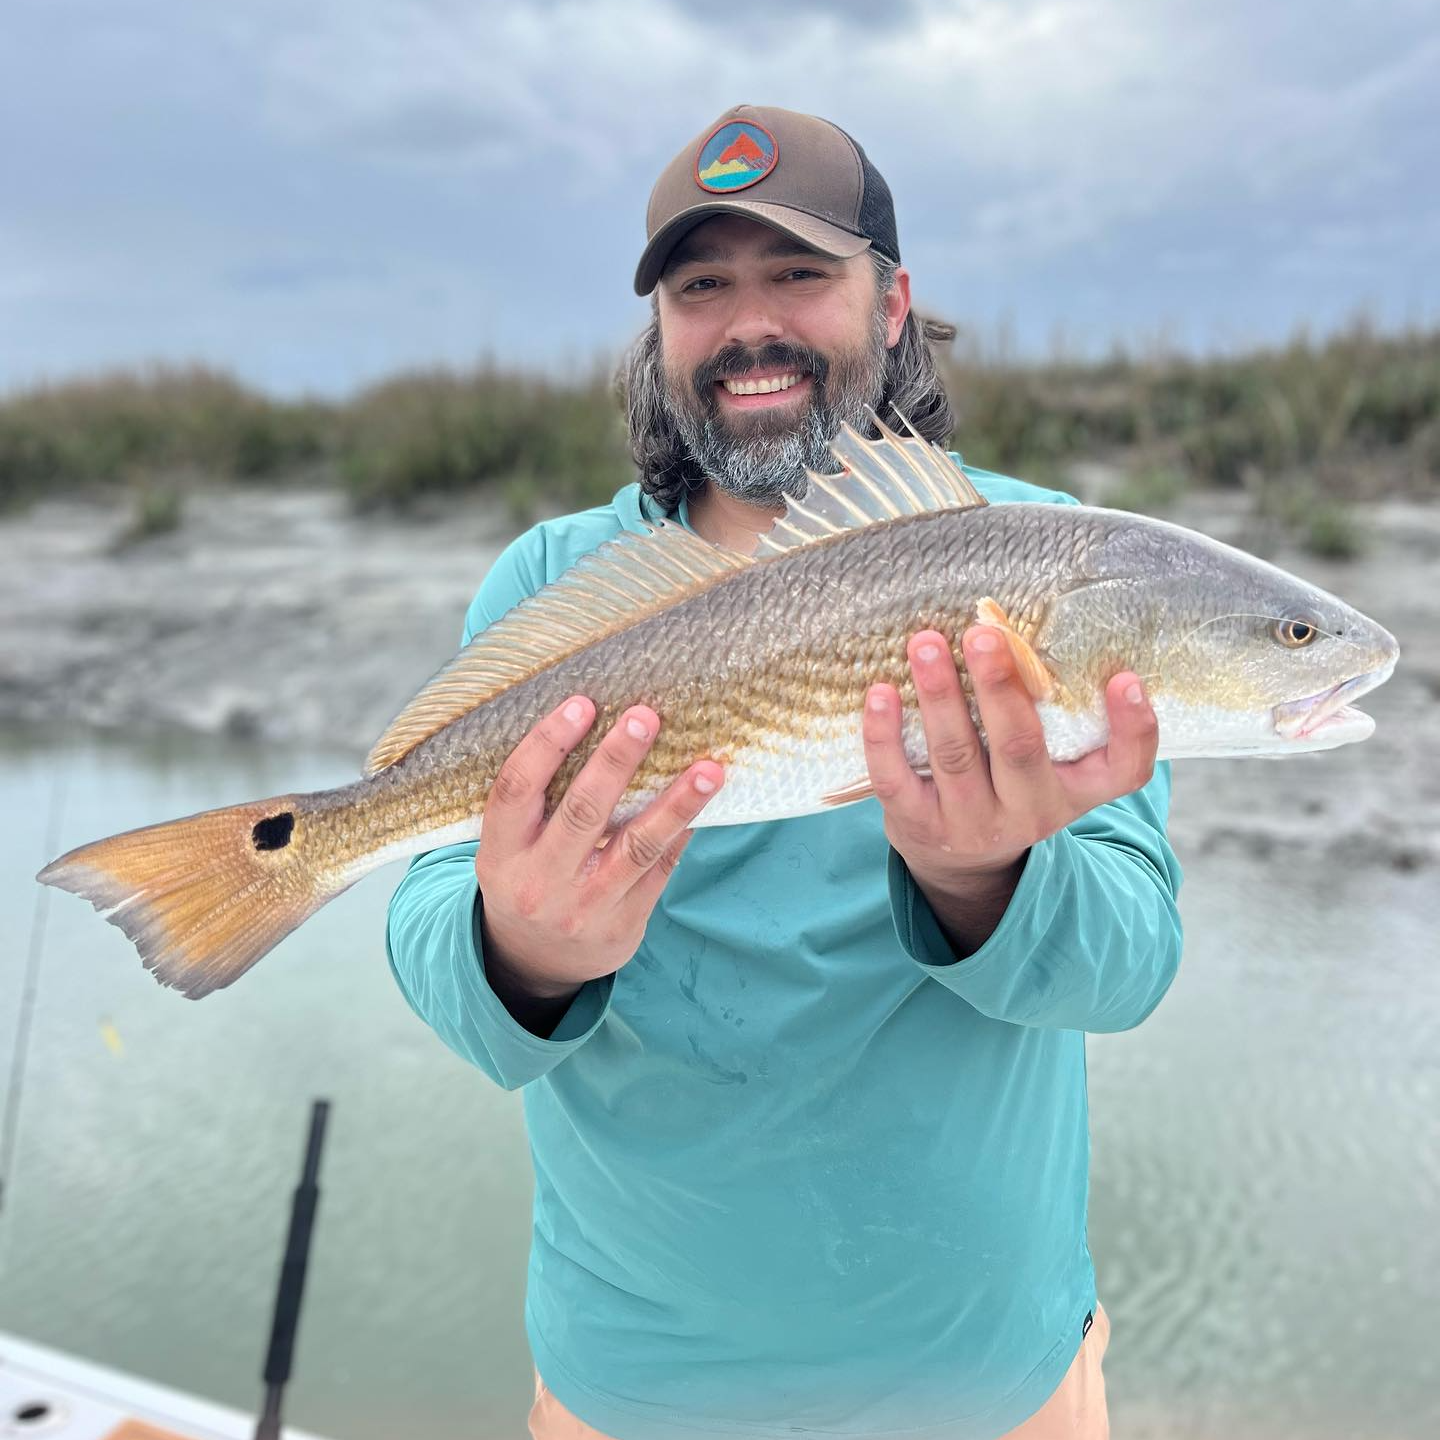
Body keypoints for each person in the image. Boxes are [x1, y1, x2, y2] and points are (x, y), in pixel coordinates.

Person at [385, 104, 1182, 1440]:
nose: (751, 323)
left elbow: (1129, 962)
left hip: (987, 1381)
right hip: (632, 1386)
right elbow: (440, 955)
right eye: (704, 287)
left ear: (894, 303)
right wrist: (516, 950)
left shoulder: (1048, 556)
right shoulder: (549, 585)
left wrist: (985, 881)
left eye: (801, 274)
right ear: (664, 332)